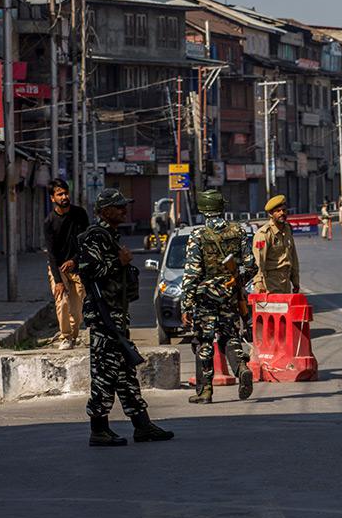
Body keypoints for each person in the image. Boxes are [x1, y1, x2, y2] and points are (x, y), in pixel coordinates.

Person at [78, 188, 173, 446]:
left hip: (116, 314)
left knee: (124, 374)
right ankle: (98, 429)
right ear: (105, 211)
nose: (124, 210)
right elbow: (88, 270)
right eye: (119, 207)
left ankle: (142, 426)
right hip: (103, 315)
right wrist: (119, 263)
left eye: (124, 206)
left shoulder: (110, 235)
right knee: (104, 373)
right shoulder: (95, 237)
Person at [182, 190, 258, 404]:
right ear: (221, 208)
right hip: (230, 295)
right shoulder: (239, 231)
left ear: (203, 210)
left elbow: (192, 273)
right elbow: (251, 266)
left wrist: (186, 306)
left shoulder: (198, 236)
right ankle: (241, 368)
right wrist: (236, 281)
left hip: (206, 297)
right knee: (230, 336)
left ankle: (204, 392)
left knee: (203, 342)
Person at [43, 179, 90, 350]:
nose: (64, 196)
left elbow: (86, 243)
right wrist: (58, 281)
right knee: (62, 301)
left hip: (77, 267)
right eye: (60, 194)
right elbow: (51, 253)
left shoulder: (80, 214)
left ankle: (73, 335)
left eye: (65, 193)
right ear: (52, 198)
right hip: (58, 267)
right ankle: (66, 336)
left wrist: (74, 260)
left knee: (77, 312)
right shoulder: (49, 222)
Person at [252, 195, 300, 294]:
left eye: (284, 210)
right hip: (270, 284)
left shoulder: (287, 229)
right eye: (278, 211)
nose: (282, 213)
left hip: (286, 283)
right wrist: (258, 281)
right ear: (270, 214)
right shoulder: (264, 234)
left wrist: (295, 280)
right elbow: (259, 260)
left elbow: (293, 256)